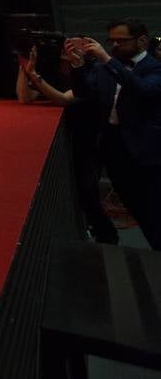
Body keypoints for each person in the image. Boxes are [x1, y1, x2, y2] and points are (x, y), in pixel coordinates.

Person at [70, 20, 161, 249]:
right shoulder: (106, 67)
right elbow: (84, 91)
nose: (115, 45)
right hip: (114, 145)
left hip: (146, 149)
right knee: (134, 205)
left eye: (122, 40)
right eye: (112, 41)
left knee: (154, 208)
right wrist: (78, 65)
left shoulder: (154, 67)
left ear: (141, 41)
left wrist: (107, 60)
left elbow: (143, 90)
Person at [17, 41, 118, 244]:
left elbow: (63, 98)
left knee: (86, 190)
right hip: (73, 136)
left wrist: (35, 76)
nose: (68, 48)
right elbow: (25, 97)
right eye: (66, 44)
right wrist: (24, 68)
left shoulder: (92, 72)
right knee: (80, 190)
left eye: (75, 44)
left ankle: (108, 236)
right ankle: (93, 230)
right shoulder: (55, 71)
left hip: (90, 139)